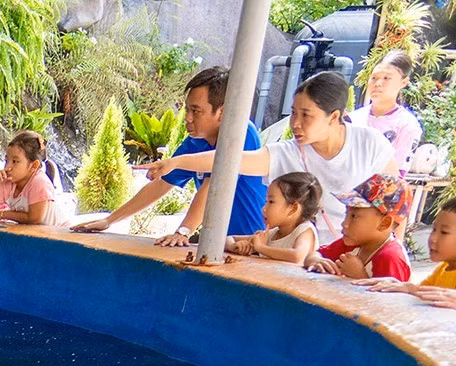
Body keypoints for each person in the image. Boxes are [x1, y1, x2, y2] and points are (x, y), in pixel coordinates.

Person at [139, 71, 397, 242]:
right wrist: (176, 162)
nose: (295, 123)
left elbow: (397, 206)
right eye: (293, 113)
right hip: (310, 257)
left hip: (365, 254)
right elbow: (231, 160)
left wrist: (382, 251)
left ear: (334, 116)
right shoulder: (287, 151)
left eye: (306, 115)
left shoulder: (370, 143)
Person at [73, 66, 267, 245]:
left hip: (251, 244)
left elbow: (213, 188)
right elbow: (162, 184)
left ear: (223, 112)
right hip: (222, 243)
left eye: (196, 111)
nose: (188, 118)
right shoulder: (195, 141)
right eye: (187, 109)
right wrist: (109, 220)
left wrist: (183, 232)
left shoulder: (241, 133)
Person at [307, 173, 412, 280]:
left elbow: (388, 296)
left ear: (384, 223)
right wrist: (315, 260)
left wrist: (360, 276)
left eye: (354, 216)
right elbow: (317, 253)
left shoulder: (391, 258)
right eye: (346, 214)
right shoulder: (353, 243)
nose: (344, 224)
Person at [365, 195, 456, 306]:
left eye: (444, 232)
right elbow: (424, 292)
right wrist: (407, 287)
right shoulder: (443, 269)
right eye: (434, 230)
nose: (433, 238)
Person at [224, 171, 324, 263]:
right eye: (266, 201)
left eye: (271, 202)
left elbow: (297, 256)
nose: (264, 208)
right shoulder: (272, 234)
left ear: (293, 209)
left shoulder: (305, 230)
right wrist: (233, 246)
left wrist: (261, 247)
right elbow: (228, 238)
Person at [351, 49, 423, 170]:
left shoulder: (406, 125)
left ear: (403, 82)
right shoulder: (354, 119)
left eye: (386, 78)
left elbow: (398, 176)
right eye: (374, 77)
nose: (378, 83)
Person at [0, 132, 59, 226]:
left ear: (34, 166)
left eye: (15, 161)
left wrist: (3, 214)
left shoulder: (39, 181)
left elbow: (35, 219)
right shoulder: (8, 182)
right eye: (7, 160)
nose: (8, 167)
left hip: (58, 235)